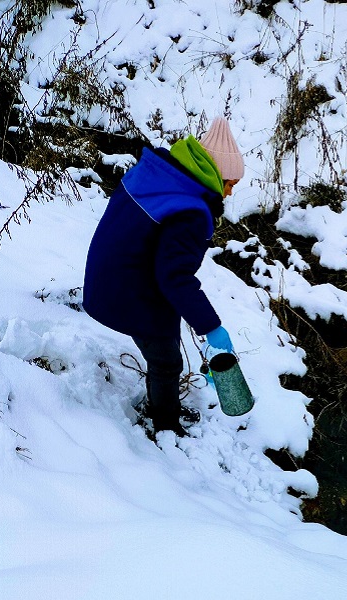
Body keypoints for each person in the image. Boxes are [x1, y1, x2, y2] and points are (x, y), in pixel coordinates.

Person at [83, 117, 244, 436]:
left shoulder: (159, 175)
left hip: (112, 273)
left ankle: (162, 405)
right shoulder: (191, 211)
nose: (228, 193)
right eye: (230, 183)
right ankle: (165, 426)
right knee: (167, 361)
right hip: (127, 288)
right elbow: (175, 277)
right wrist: (212, 329)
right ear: (216, 174)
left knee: (166, 340)